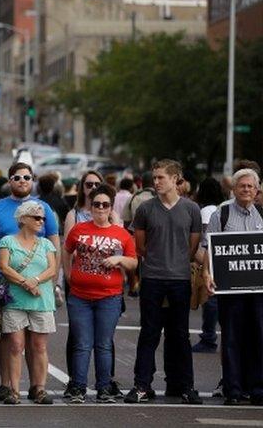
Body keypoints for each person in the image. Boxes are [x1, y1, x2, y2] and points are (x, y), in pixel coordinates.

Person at [126, 159, 202, 405]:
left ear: (175, 179)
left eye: (161, 177)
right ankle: (142, 385)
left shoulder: (191, 209)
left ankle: (185, 385)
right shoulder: (145, 209)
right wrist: (160, 260)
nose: (156, 181)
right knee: (149, 333)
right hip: (153, 278)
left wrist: (177, 261)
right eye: (154, 177)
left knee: (180, 334)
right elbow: (140, 247)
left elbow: (192, 247)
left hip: (180, 279)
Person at [0, 163, 60, 402]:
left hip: (40, 286)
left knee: (37, 343)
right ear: (9, 180)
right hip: (7, 283)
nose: (22, 180)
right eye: (17, 177)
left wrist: (50, 279)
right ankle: (6, 386)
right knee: (9, 338)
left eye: (27, 177)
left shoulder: (44, 207)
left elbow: (53, 244)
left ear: (33, 179)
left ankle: (37, 388)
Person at [63, 184, 137, 403]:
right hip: (79, 296)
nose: (101, 208)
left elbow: (133, 263)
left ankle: (104, 388)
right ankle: (78, 387)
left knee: (104, 344)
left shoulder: (121, 234)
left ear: (111, 208)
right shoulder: (79, 229)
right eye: (97, 204)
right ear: (91, 206)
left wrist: (119, 259)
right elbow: (66, 251)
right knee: (82, 343)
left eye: (105, 205)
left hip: (109, 296)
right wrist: (68, 275)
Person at [201, 168, 263, 405]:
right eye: (242, 186)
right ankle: (233, 390)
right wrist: (206, 273)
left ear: (256, 190)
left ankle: (258, 389)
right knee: (232, 339)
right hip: (230, 290)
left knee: (259, 338)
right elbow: (209, 247)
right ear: (234, 189)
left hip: (258, 292)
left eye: (250, 186)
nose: (246, 189)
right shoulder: (222, 213)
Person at [0, 201, 58, 405]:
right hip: (15, 300)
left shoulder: (46, 244)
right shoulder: (7, 241)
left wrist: (36, 281)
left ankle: (39, 388)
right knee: (15, 345)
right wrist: (25, 283)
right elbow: (4, 267)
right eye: (36, 217)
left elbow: (52, 269)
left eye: (43, 218)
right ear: (23, 219)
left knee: (39, 346)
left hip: (41, 300)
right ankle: (14, 390)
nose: (41, 221)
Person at [192, 176, 225, 354]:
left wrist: (200, 259)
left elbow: (206, 238)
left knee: (210, 300)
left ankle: (208, 337)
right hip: (218, 259)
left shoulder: (206, 212)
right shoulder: (221, 208)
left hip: (209, 259)